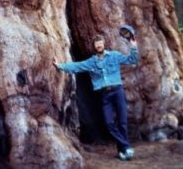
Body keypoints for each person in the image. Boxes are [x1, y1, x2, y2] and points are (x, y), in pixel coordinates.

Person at [53, 25, 139, 161]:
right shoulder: (91, 62)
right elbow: (76, 66)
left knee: (122, 122)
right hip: (105, 95)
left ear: (104, 44)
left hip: (118, 91)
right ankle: (126, 146)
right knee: (109, 123)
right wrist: (60, 66)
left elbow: (132, 59)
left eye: (100, 43)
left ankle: (123, 151)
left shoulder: (114, 56)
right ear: (94, 46)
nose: (99, 45)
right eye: (96, 44)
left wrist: (133, 45)